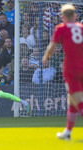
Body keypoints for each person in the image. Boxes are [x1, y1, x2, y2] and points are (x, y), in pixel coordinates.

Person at [42, 4, 83, 140]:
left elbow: (52, 46)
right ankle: (68, 132)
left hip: (71, 69)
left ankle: (67, 132)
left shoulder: (61, 28)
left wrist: (46, 56)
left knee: (78, 101)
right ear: (75, 16)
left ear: (63, 16)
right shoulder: (81, 28)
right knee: (72, 101)